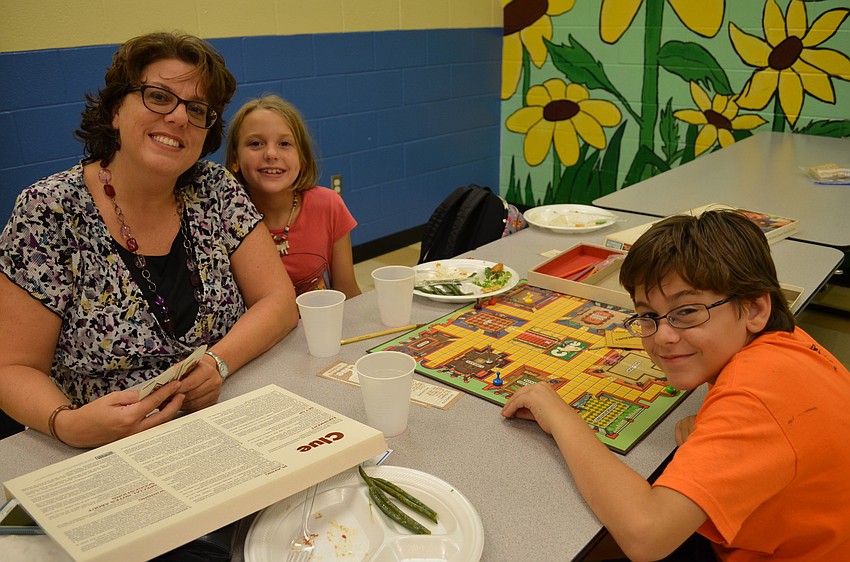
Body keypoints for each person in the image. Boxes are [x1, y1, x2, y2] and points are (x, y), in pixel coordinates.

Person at [0, 32, 299, 448]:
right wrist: (67, 424)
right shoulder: (48, 212)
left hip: (231, 420)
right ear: (115, 110)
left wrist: (218, 363)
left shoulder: (215, 189)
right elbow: (12, 367)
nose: (178, 118)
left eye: (197, 109)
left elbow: (280, 302)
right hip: (108, 447)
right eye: (158, 97)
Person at [501, 210, 850, 561]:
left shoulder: (753, 396)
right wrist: (716, 422)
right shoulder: (785, 343)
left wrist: (561, 417)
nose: (664, 336)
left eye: (686, 311)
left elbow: (646, 536)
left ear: (755, 308)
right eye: (649, 316)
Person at [225, 95, 361, 299]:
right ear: (235, 159)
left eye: (285, 144)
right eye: (255, 143)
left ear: (303, 158)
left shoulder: (328, 205)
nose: (271, 154)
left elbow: (348, 293)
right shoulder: (225, 218)